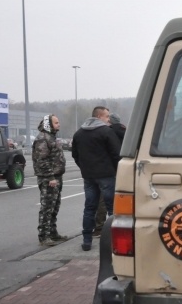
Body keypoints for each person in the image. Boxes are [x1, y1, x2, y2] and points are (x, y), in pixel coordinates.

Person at [72, 106, 121, 251]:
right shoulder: (107, 132)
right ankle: (113, 241)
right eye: (107, 116)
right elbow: (116, 153)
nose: (108, 119)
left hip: (89, 176)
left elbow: (75, 154)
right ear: (99, 116)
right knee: (112, 209)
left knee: (89, 208)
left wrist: (84, 168)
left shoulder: (79, 133)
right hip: (106, 175)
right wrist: (115, 170)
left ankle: (87, 240)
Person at [32, 114, 68, 246]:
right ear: (49, 124)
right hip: (49, 178)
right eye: (56, 123)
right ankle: (44, 236)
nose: (59, 125)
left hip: (56, 177)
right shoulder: (43, 138)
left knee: (54, 206)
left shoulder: (52, 137)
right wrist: (50, 177)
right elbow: (42, 160)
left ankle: (53, 233)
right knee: (47, 207)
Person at [93, 112, 126, 236]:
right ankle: (118, 225)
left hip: (108, 169)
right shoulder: (126, 131)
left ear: (110, 121)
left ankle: (100, 227)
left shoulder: (107, 132)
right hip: (123, 168)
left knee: (102, 199)